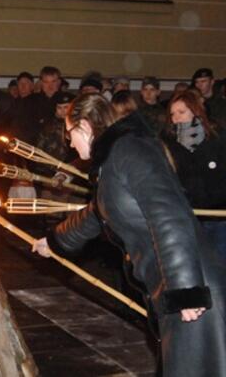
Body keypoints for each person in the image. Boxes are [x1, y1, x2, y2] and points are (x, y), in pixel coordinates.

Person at [32, 94, 226, 376]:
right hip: (174, 289)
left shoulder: (130, 150)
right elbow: (98, 213)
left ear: (85, 126)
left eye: (69, 133)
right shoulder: (112, 161)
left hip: (194, 292)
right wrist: (54, 242)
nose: (68, 142)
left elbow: (169, 216)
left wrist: (186, 292)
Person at [161, 91, 226, 260]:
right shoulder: (168, 143)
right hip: (186, 217)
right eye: (172, 114)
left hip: (219, 217)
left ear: (195, 111)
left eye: (181, 112)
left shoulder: (217, 137)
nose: (176, 118)